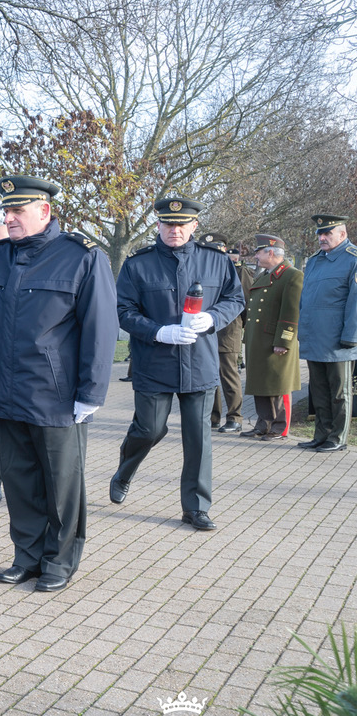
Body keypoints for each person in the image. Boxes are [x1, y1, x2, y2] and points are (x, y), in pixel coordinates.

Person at [0, 176, 117, 593]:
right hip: (4, 389)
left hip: (55, 393)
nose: (10, 218)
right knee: (19, 481)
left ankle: (59, 559)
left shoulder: (81, 257)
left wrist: (91, 392)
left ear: (45, 211)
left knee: (60, 483)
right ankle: (27, 555)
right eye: (7, 211)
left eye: (18, 211)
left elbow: (100, 329)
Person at [110, 198, 246, 532]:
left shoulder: (216, 261)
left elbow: (235, 299)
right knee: (150, 429)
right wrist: (159, 331)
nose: (175, 230)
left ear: (195, 225)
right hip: (154, 361)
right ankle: (124, 471)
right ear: (158, 225)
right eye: (168, 224)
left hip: (199, 361)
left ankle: (196, 507)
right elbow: (123, 310)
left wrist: (212, 319)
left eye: (182, 224)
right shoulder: (138, 264)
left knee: (198, 437)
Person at [297, 214, 357, 452]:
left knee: (340, 392)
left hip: (337, 339)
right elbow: (306, 301)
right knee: (318, 390)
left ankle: (338, 437)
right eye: (320, 234)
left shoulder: (353, 259)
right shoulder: (314, 261)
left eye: (327, 233)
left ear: (342, 234)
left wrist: (351, 336)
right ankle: (321, 434)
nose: (322, 238)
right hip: (315, 337)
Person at [242, 235, 304, 439]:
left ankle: (279, 426)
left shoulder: (292, 275)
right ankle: (263, 423)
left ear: (270, 252)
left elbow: (291, 312)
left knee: (277, 384)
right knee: (260, 382)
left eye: (258, 252)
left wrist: (283, 341)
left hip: (276, 340)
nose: (256, 256)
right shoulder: (264, 275)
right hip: (258, 339)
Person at [204, 233, 254, 433]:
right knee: (210, 377)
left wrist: (244, 328)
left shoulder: (239, 272)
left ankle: (235, 417)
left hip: (229, 330)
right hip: (207, 331)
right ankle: (213, 417)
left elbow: (247, 301)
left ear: (224, 249)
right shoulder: (204, 270)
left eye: (217, 248)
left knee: (228, 375)